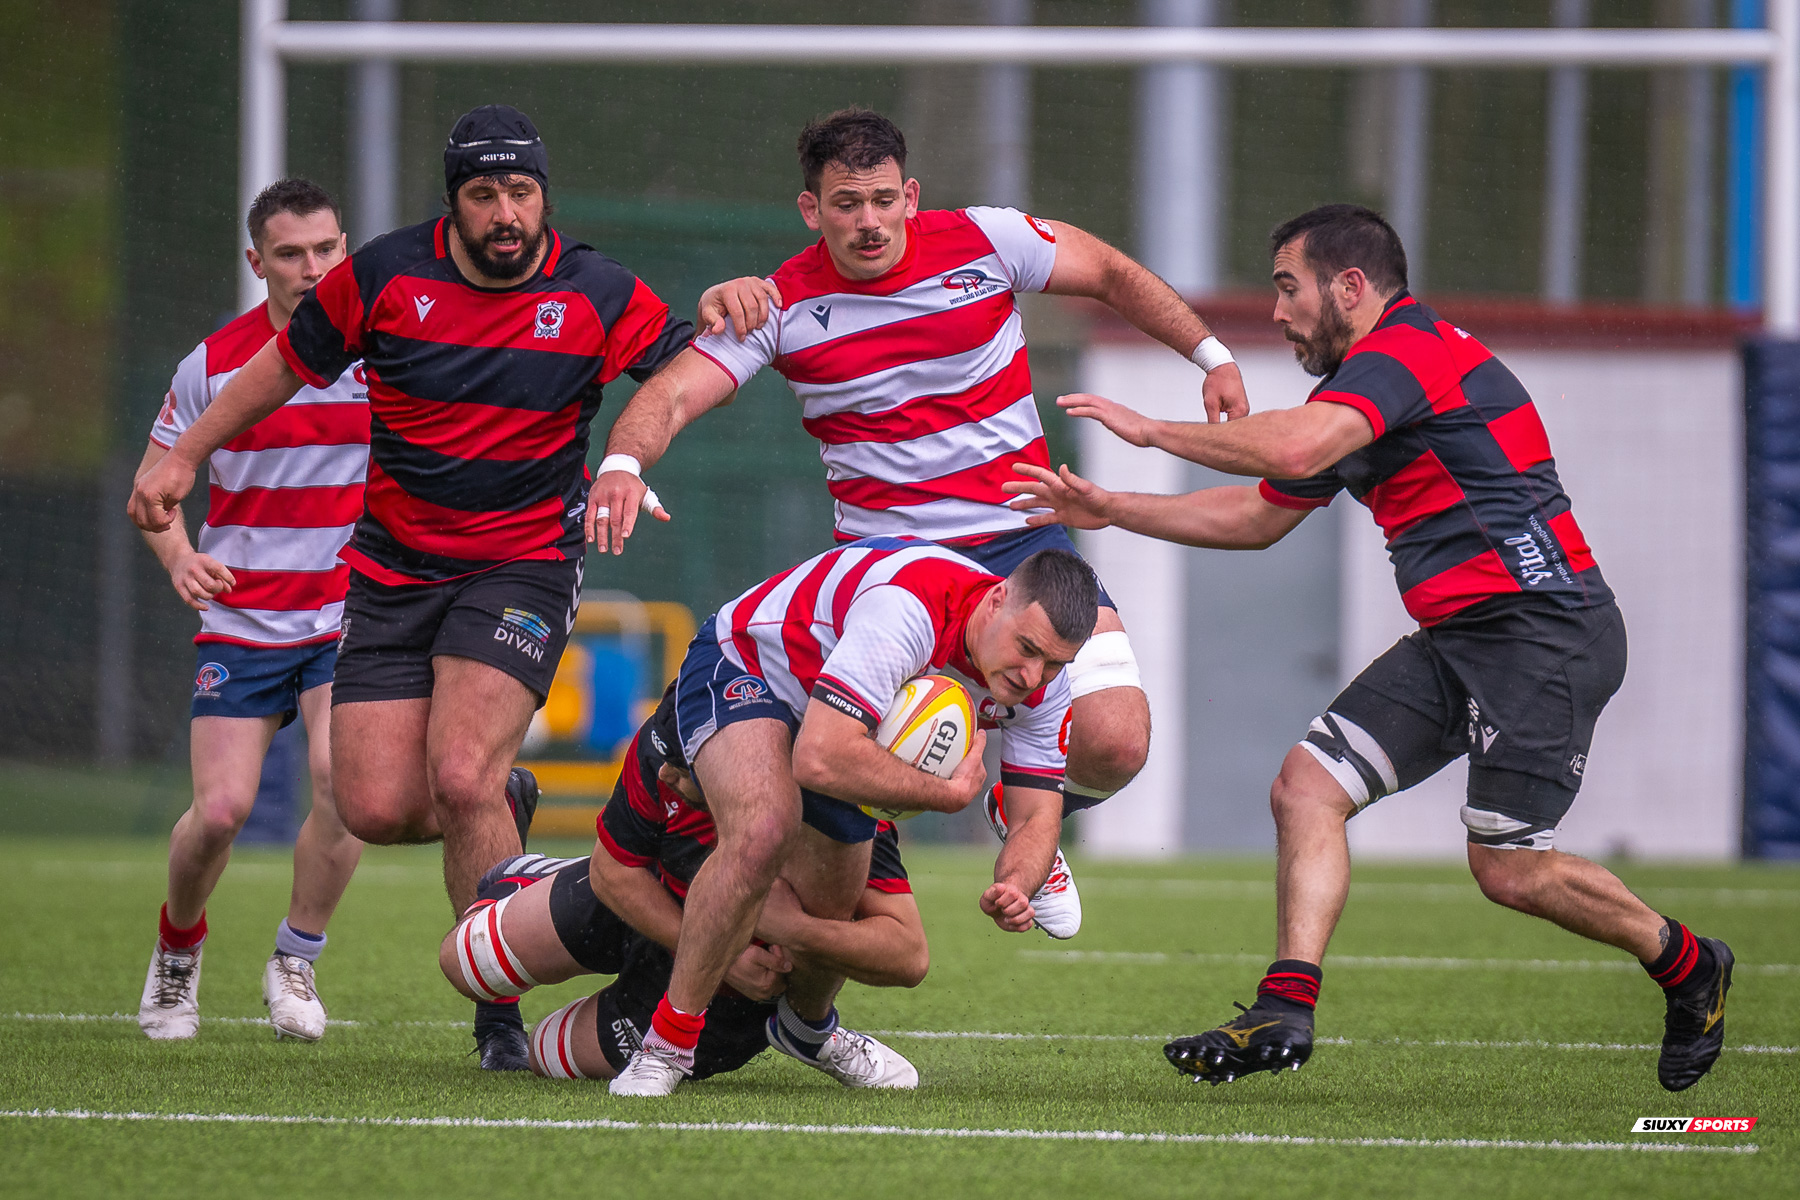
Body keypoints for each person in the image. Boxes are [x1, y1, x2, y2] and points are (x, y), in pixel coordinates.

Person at [1003, 203, 1734, 1093]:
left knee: (1507, 869)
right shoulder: (1360, 391)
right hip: (1462, 637)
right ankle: (1285, 1005)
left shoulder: (1409, 354)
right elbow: (1256, 518)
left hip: (1545, 631)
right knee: (1305, 788)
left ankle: (1689, 963)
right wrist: (1113, 508)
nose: (1277, 313)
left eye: (1287, 288)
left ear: (1351, 287)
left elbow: (1305, 441)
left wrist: (1157, 431)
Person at [587, 107, 1249, 938]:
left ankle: (1020, 806)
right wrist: (622, 461)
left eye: (883, 200)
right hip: (892, 569)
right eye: (845, 203)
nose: (869, 221)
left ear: (912, 195)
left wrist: (1212, 356)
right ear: (810, 209)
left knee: (1116, 741)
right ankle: (745, 939)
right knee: (834, 811)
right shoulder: (781, 304)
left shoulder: (989, 240)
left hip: (1020, 539)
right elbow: (677, 388)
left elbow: (1112, 272)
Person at [126, 105, 694, 1069]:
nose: (506, 212)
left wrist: (628, 460)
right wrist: (187, 454)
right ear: (453, 204)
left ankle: (496, 1015)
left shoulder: (594, 288)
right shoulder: (385, 275)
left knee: (460, 774)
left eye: (522, 192)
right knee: (377, 807)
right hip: (391, 573)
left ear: (544, 195)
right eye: (485, 195)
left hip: (522, 565)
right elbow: (281, 365)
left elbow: (686, 363)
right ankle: (504, 811)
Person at [601, 539, 1097, 1096]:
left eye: (1054, 662)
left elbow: (1036, 818)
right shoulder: (909, 609)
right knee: (765, 828)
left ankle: (805, 1028)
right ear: (996, 599)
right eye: (1027, 647)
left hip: (849, 720)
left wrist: (1017, 884)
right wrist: (941, 794)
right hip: (751, 668)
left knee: (833, 904)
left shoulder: (1044, 686)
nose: (1034, 675)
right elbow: (820, 757)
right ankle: (666, 1045)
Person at [134, 179, 368, 1043]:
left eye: (327, 250)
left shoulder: (383, 352)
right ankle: (178, 950)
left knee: (349, 787)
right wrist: (180, 557)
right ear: (255, 262)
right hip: (242, 619)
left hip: (348, 613)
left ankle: (295, 958)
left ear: (346, 247)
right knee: (222, 812)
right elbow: (152, 491)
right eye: (290, 254)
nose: (312, 269)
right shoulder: (212, 364)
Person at [438, 688, 927, 1086]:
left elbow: (908, 955)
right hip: (644, 899)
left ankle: (808, 1030)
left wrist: (793, 929)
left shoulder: (837, 808)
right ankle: (539, 875)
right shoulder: (664, 742)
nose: (670, 773)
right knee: (466, 962)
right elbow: (615, 874)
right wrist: (722, 951)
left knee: (546, 1052)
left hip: (729, 1001)